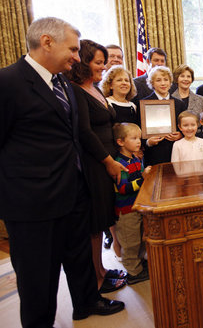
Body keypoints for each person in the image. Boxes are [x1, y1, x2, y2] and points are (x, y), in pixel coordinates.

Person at [0, 17, 124, 327]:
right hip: (32, 203)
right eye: (72, 49)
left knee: (79, 257)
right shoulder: (8, 82)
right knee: (37, 275)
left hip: (73, 190)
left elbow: (75, 135)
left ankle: (86, 303)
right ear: (46, 42)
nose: (75, 57)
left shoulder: (63, 84)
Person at [66, 39, 128, 294]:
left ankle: (102, 269)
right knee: (94, 225)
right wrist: (109, 161)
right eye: (99, 62)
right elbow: (84, 131)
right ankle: (97, 277)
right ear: (84, 62)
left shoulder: (95, 88)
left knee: (102, 219)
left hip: (107, 161)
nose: (104, 67)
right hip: (95, 163)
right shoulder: (76, 89)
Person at [101, 65, 139, 258]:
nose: (124, 83)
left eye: (127, 80)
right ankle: (117, 244)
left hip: (133, 157)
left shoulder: (133, 106)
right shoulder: (106, 103)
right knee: (116, 201)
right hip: (115, 159)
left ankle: (131, 247)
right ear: (110, 84)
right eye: (119, 80)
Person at [112, 123, 151, 285]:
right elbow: (123, 188)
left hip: (136, 207)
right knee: (130, 242)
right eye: (134, 138)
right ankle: (133, 272)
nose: (138, 142)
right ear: (121, 142)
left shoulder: (135, 158)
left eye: (139, 138)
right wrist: (142, 178)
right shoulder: (120, 163)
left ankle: (139, 263)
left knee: (140, 238)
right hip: (126, 210)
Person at [141, 65, 186, 166]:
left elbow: (185, 125)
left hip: (175, 151)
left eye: (166, 79)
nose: (163, 83)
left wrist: (181, 134)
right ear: (152, 83)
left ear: (170, 82)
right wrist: (148, 142)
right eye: (158, 80)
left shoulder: (179, 104)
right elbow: (139, 130)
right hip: (154, 153)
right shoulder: (145, 103)